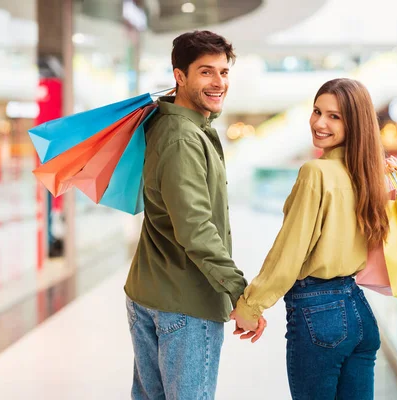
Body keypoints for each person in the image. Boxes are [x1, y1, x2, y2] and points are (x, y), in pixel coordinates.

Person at [124, 30, 265, 400]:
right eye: (206, 72)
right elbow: (195, 229)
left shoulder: (168, 124)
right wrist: (239, 293)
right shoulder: (183, 137)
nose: (219, 82)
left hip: (151, 291)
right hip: (184, 304)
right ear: (180, 76)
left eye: (223, 72)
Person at [232, 78, 389, 399]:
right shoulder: (370, 174)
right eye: (317, 111)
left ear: (355, 123)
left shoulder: (316, 173)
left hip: (320, 316)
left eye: (334, 116)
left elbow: (289, 252)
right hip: (359, 310)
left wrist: (251, 306)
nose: (319, 123)